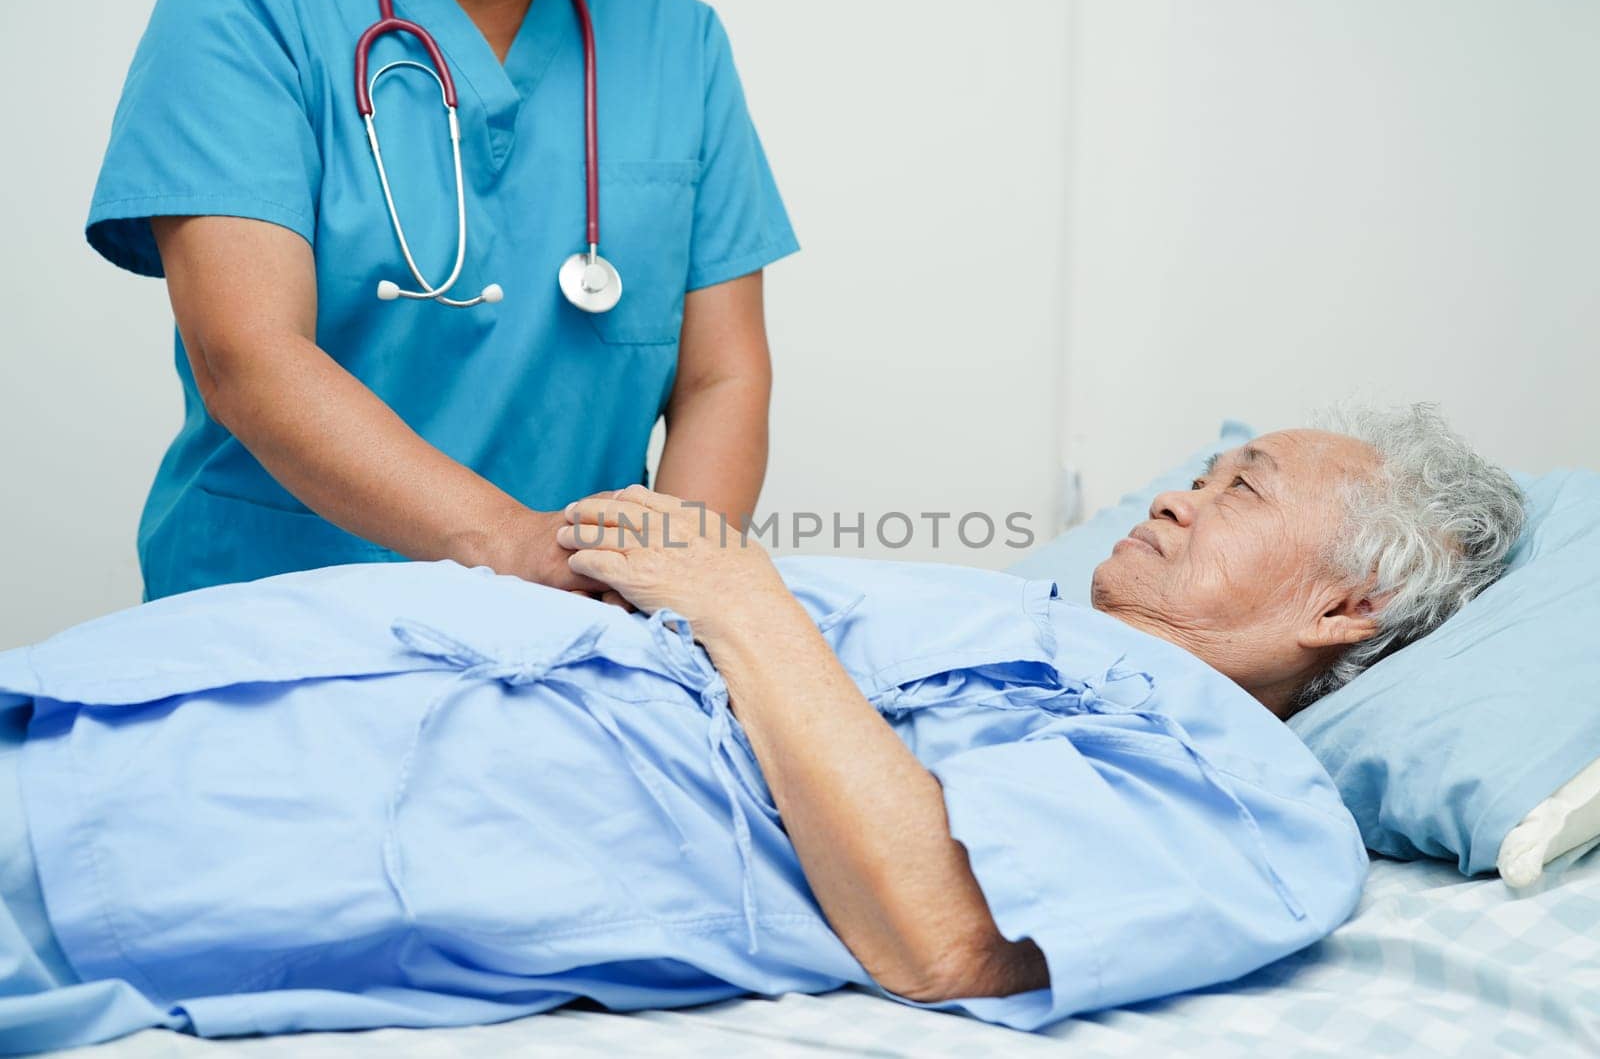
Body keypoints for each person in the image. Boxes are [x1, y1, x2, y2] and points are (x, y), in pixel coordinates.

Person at [0, 404, 1525, 1051]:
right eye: (1204, 464)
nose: (1180, 490)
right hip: (187, 680)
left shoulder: (1247, 789)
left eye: (1243, 485)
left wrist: (740, 595)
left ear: (1343, 608)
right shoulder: (1013, 613)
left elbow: (943, 934)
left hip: (278, 819)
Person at [86, 0, 795, 602]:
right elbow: (246, 354)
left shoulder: (676, 37)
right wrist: (513, 543)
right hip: (278, 623)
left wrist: (671, 587)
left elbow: (718, 378)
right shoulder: (248, 8)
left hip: (582, 637)